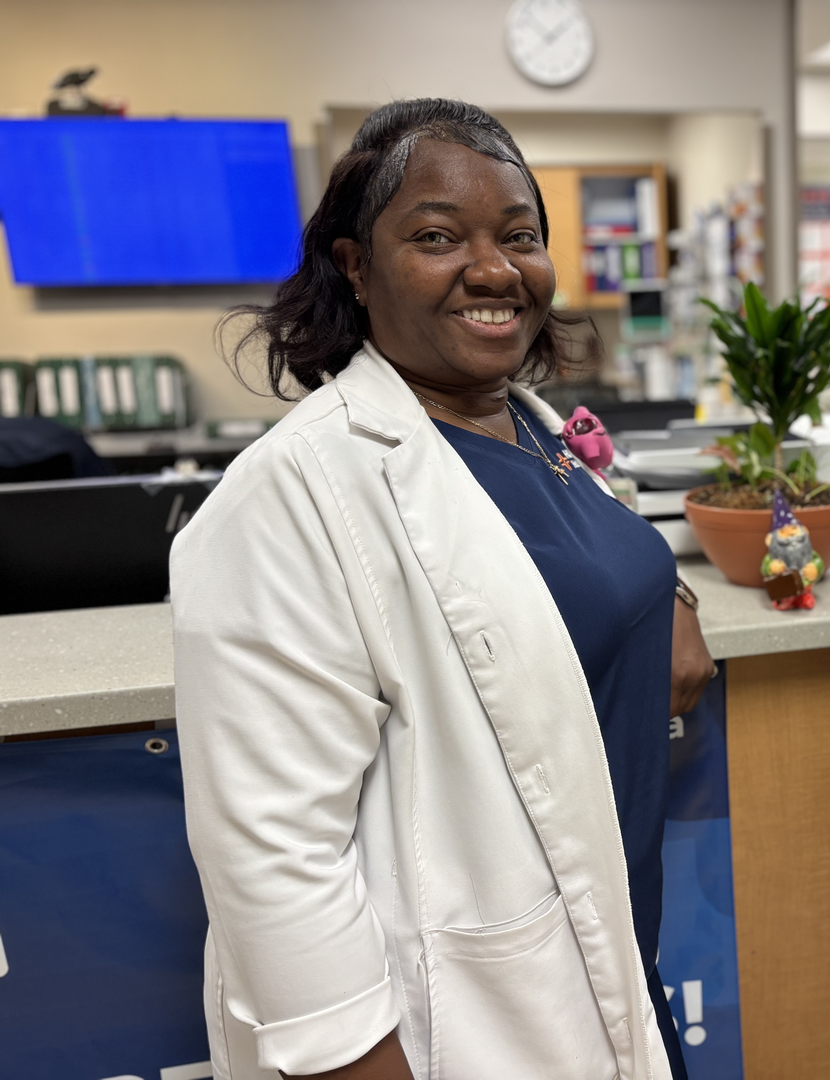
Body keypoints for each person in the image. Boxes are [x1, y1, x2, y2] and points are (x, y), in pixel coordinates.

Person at [171, 99, 714, 1080]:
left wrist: (663, 597)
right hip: (460, 1023)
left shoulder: (529, 426)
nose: (495, 268)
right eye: (436, 236)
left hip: (614, 953)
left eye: (519, 236)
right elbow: (274, 863)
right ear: (354, 266)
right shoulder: (292, 494)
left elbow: (557, 568)